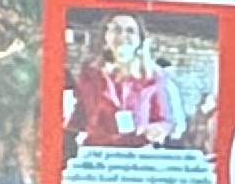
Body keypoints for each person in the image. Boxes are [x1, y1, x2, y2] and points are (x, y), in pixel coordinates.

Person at [69, 9, 177, 148]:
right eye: (116, 29)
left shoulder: (154, 76)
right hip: (98, 151)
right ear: (105, 37)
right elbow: (80, 116)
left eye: (130, 31)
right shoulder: (90, 73)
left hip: (137, 153)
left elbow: (164, 121)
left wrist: (158, 130)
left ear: (140, 40)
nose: (123, 35)